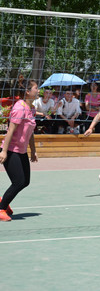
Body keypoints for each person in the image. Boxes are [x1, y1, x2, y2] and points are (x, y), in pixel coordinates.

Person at [0, 80, 39, 221]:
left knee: (25, 181)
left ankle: (3, 202)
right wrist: (4, 151)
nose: (38, 90)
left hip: (21, 151)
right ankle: (1, 208)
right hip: (11, 150)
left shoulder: (31, 108)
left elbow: (31, 132)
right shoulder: (19, 108)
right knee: (18, 181)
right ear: (27, 92)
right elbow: (10, 130)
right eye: (36, 88)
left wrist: (33, 150)